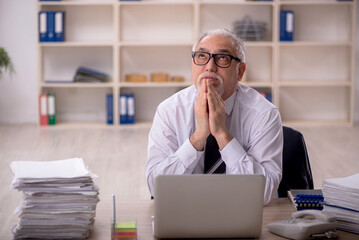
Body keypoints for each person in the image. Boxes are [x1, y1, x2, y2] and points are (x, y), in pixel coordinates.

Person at [145, 28, 283, 205]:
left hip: (241, 210)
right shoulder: (169, 111)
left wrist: (222, 135)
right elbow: (156, 188)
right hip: (185, 209)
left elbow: (264, 193)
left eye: (222, 58)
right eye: (202, 56)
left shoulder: (264, 114)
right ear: (192, 66)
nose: (210, 66)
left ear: (240, 71)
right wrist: (198, 138)